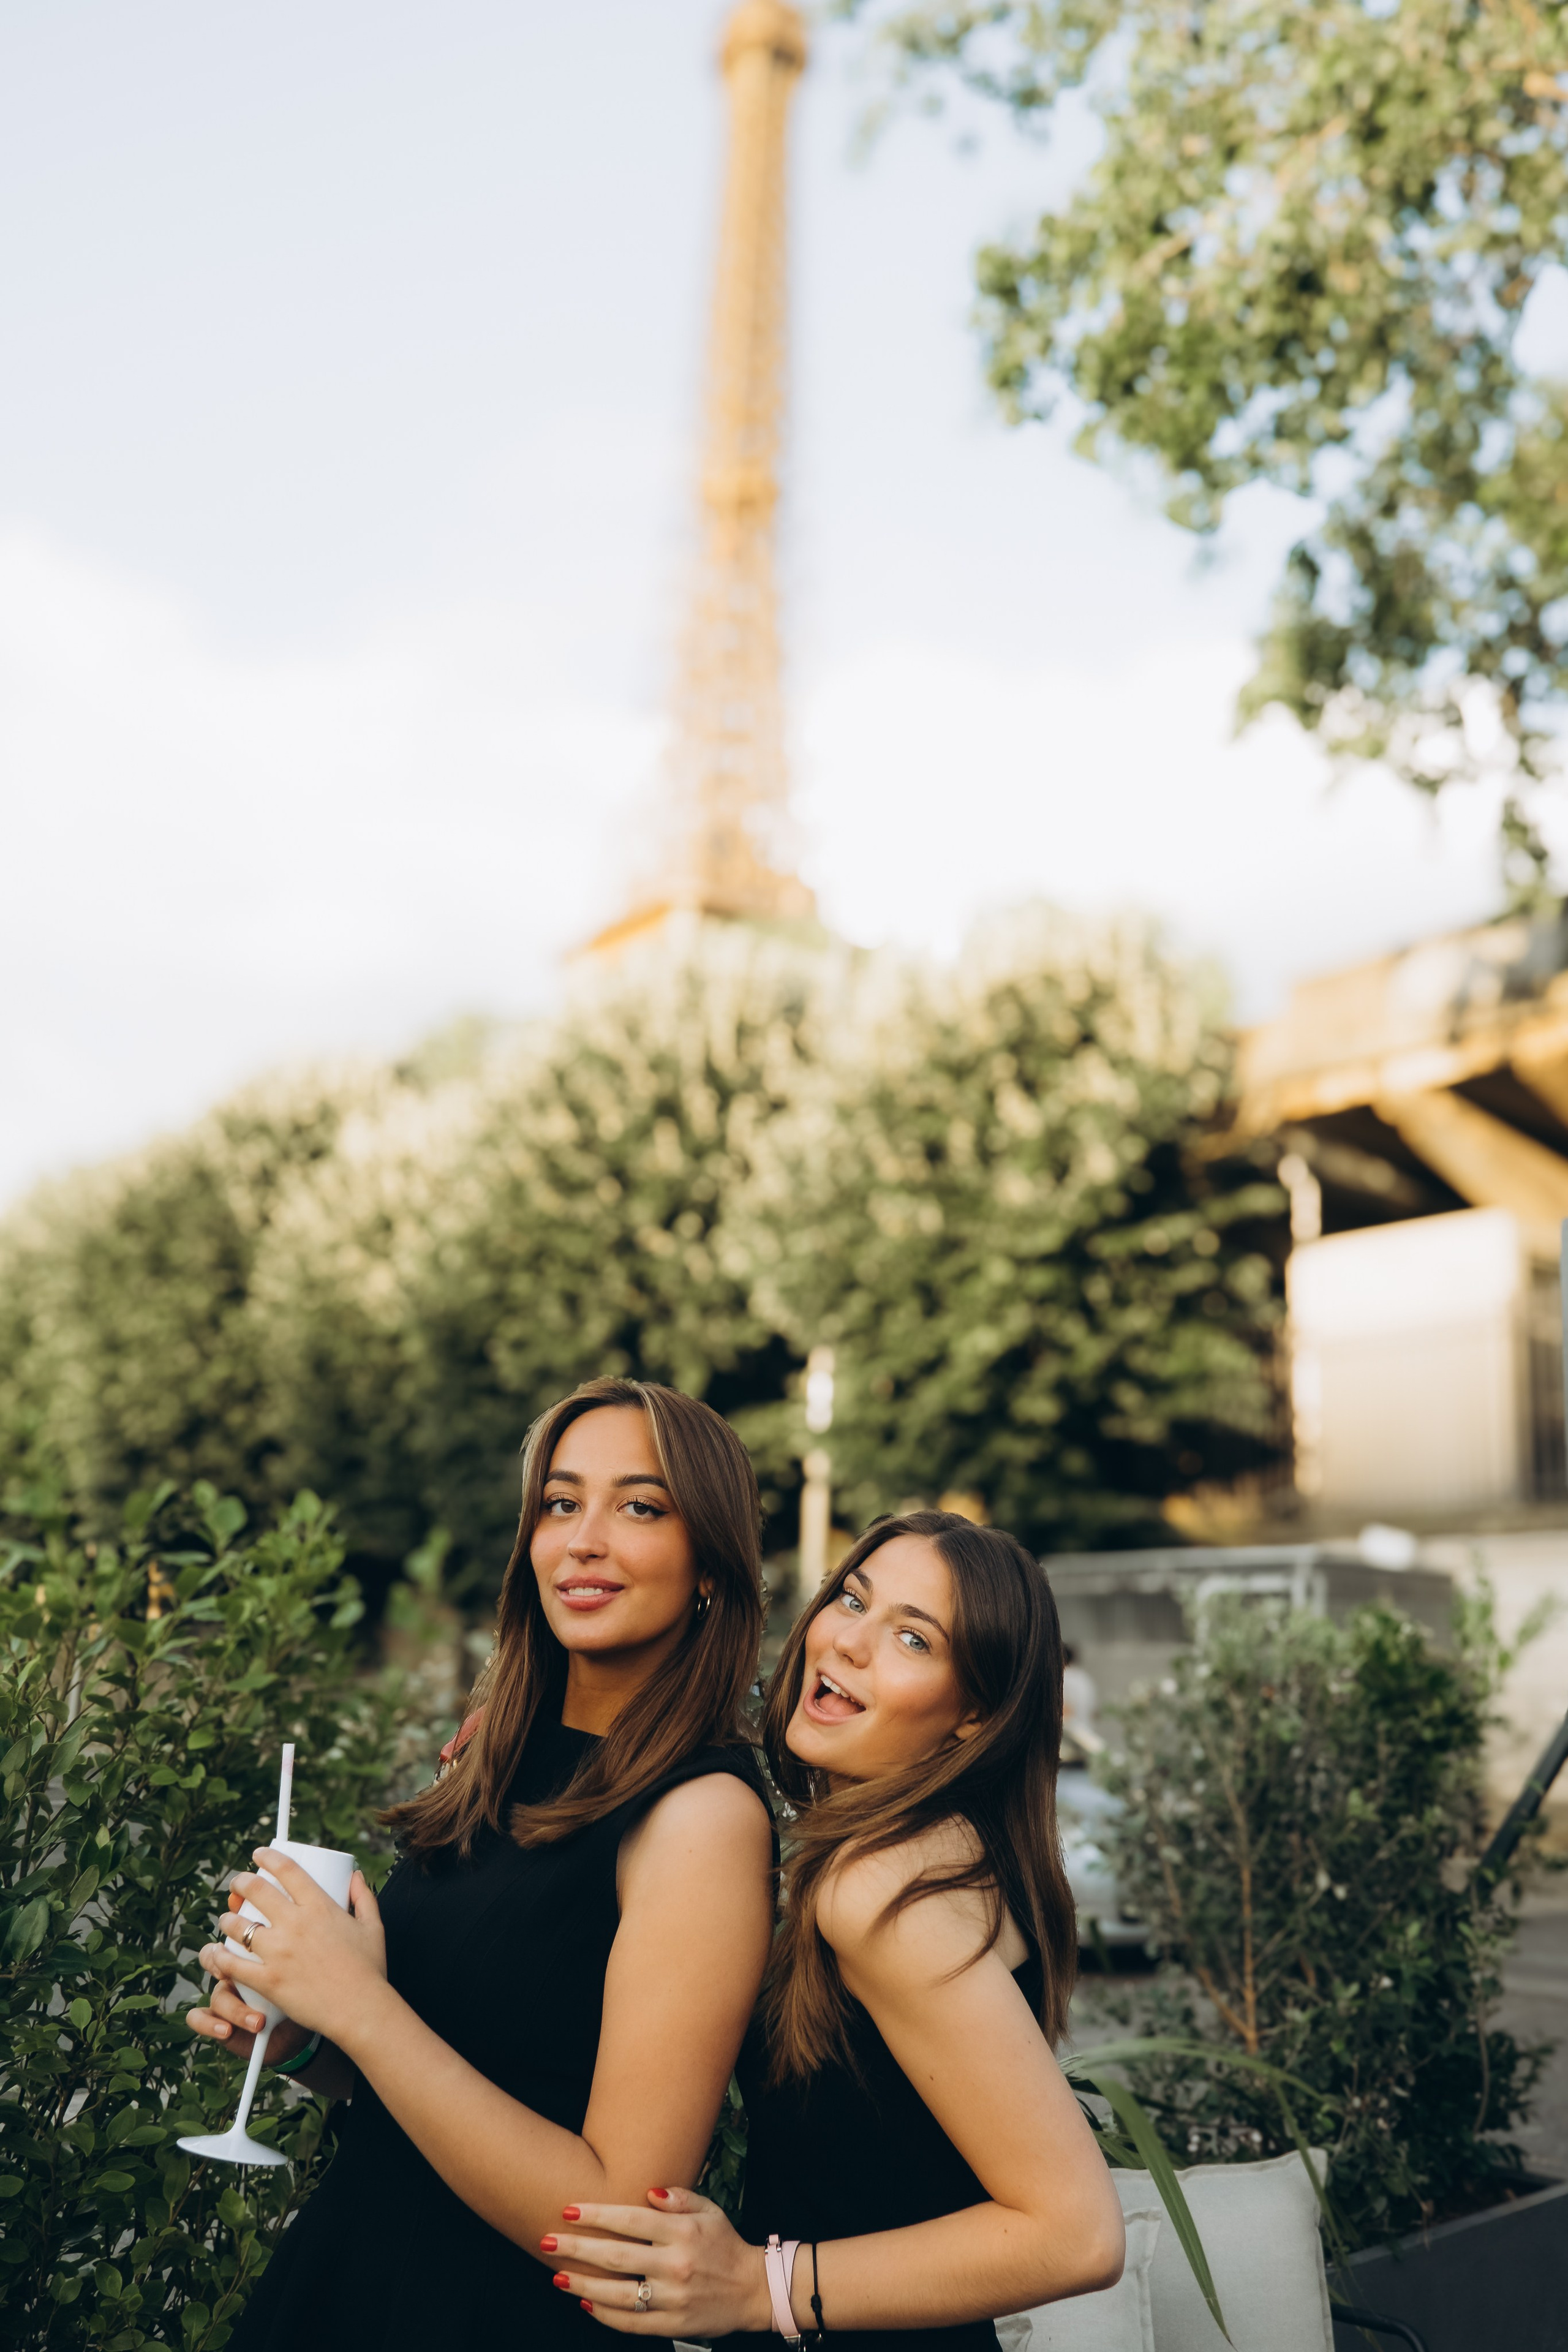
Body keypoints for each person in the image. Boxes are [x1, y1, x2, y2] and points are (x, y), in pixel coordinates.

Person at [189, 1378, 777, 2351]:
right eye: (559, 1502)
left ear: (708, 1562)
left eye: (639, 1505)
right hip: (343, 2288)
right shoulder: (497, 1759)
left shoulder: (700, 1815)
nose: (583, 1538)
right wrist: (307, 2039)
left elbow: (613, 2223)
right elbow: (468, 2078)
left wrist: (363, 2010)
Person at [544, 1511, 1125, 2350]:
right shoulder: (957, 1846)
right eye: (852, 1600)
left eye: (914, 1640)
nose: (850, 1642)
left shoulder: (884, 1888)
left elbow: (1077, 2233)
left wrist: (758, 2286)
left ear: (974, 1714)